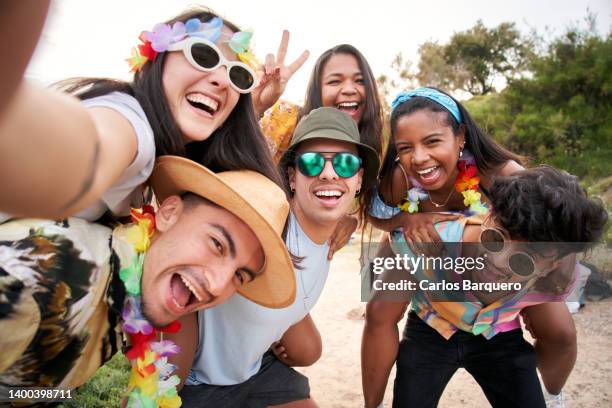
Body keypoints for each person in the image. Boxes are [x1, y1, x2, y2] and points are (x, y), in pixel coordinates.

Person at [362, 87, 606, 407]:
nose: (418, 157)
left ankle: (554, 394)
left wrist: (563, 263)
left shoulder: (501, 172)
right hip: (428, 246)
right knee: (379, 307)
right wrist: (404, 223)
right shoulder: (400, 178)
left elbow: (555, 212)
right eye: (405, 147)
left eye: (433, 141)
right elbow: (376, 215)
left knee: (560, 332)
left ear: (460, 136)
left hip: (504, 253)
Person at [0, 155, 295, 407]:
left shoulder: (125, 288)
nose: (218, 285)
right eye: (217, 244)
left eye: (239, 276)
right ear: (169, 213)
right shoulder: (41, 279)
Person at [0, 5, 307, 223]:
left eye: (238, 75)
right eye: (203, 55)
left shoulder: (163, 149)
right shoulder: (130, 125)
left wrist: (253, 107)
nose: (221, 79)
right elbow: (86, 154)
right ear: (156, 62)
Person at [170, 107, 380, 407]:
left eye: (345, 164)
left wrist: (351, 220)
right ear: (292, 178)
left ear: (358, 180)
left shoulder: (332, 236)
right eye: (312, 162)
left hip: (256, 372)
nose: (329, 173)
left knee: (309, 350)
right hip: (200, 382)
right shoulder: (265, 223)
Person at [261, 44, 385, 258]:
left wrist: (343, 216)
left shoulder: (369, 144)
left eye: (359, 80)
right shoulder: (283, 118)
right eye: (334, 81)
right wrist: (256, 104)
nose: (348, 89)